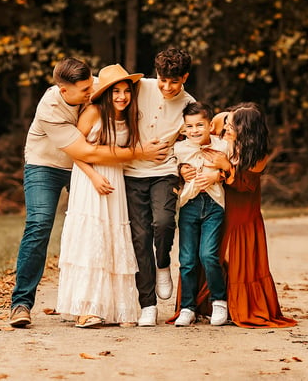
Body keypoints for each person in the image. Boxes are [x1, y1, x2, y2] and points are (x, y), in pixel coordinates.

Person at [10, 57, 167, 328]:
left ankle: (109, 302)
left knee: (106, 227)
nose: (90, 93)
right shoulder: (50, 108)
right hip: (47, 164)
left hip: (93, 164)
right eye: (84, 91)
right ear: (64, 91)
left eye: (91, 85)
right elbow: (85, 151)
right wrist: (141, 153)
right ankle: (21, 303)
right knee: (40, 223)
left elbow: (147, 85)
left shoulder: (98, 86)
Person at [178, 102, 297, 328]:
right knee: (209, 254)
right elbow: (201, 133)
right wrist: (185, 169)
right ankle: (201, 305)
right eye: (227, 124)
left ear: (246, 129)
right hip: (219, 205)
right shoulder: (223, 135)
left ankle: (238, 305)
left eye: (232, 126)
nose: (226, 128)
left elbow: (245, 185)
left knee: (234, 258)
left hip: (243, 210)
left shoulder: (258, 154)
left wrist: (225, 169)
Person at [56, 64, 142, 328]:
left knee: (113, 235)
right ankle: (86, 308)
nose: (121, 97)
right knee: (90, 237)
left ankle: (119, 308)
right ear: (105, 93)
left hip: (115, 179)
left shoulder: (130, 116)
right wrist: (93, 177)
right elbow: (74, 151)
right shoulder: (93, 112)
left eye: (126, 91)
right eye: (115, 91)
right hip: (89, 178)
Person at [124, 48, 195, 327]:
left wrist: (186, 166)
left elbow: (195, 139)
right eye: (162, 80)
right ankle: (148, 305)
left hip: (164, 172)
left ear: (185, 78)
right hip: (132, 171)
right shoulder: (140, 87)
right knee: (140, 236)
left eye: (173, 82)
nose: (166, 87)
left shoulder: (190, 104)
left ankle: (163, 263)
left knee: (164, 223)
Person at [173, 102, 230, 327]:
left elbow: (232, 168)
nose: (195, 130)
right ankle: (188, 307)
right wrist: (179, 172)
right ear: (184, 128)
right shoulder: (179, 149)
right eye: (190, 126)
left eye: (200, 125)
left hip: (214, 205)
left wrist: (218, 176)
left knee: (208, 255)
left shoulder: (223, 146)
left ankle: (219, 301)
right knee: (187, 259)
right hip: (189, 204)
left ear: (209, 125)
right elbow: (169, 173)